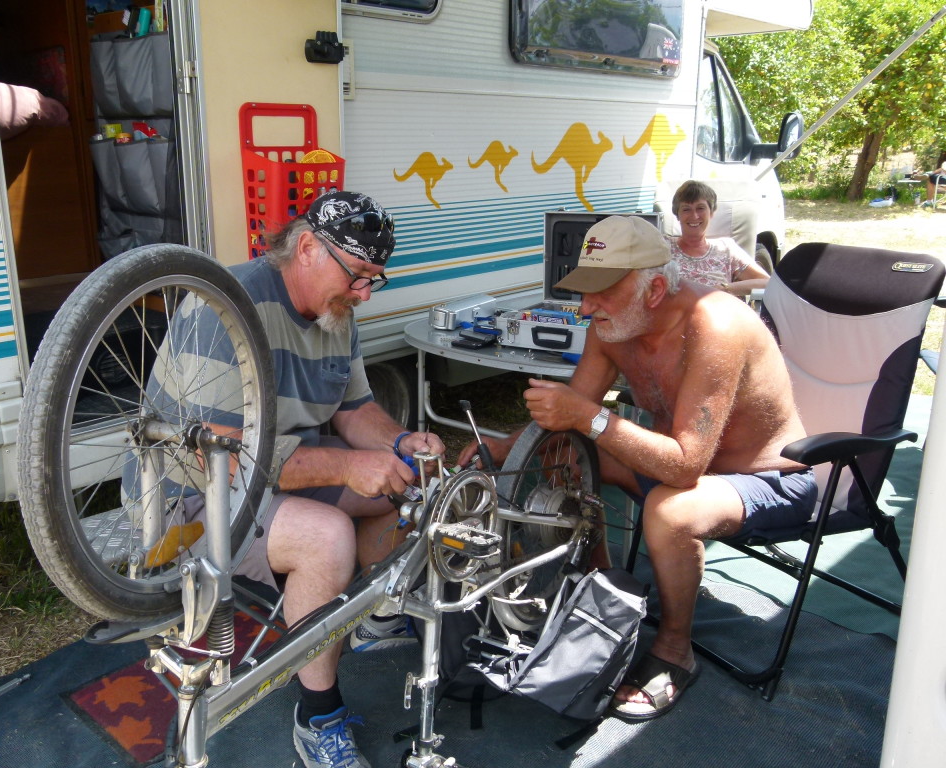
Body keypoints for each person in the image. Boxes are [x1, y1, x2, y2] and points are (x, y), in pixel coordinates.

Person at [458, 215, 816, 722]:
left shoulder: (717, 325)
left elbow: (685, 466)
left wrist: (590, 417)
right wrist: (503, 447)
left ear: (652, 290)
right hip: (676, 467)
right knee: (564, 454)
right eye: (583, 290)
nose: (584, 308)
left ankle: (674, 649)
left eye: (600, 293)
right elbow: (570, 416)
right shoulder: (614, 325)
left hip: (767, 481)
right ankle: (602, 589)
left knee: (670, 509)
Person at [161, 191, 443, 768]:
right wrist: (345, 466)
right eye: (359, 276)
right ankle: (317, 716)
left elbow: (354, 410)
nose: (365, 294)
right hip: (191, 495)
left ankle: (364, 621)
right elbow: (225, 457)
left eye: (375, 280)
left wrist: (398, 443)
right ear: (308, 247)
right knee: (327, 535)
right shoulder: (226, 305)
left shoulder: (337, 312)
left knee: (403, 488)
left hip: (281, 474)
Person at [668, 180, 769, 297]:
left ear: (711, 213)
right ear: (677, 215)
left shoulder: (726, 249)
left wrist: (725, 288)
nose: (694, 216)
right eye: (686, 209)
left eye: (700, 208)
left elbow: (766, 282)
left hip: (717, 311)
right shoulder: (663, 247)